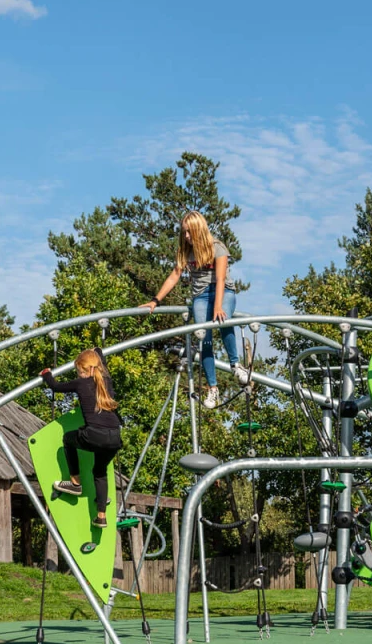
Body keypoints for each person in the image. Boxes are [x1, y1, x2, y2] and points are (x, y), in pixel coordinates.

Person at [143, 212, 246, 409]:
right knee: (203, 337)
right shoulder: (185, 251)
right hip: (200, 295)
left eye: (190, 232)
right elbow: (175, 275)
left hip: (222, 291)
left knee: (223, 319)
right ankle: (212, 388)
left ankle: (235, 364)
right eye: (185, 232)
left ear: (198, 230)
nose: (187, 236)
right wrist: (156, 300)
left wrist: (217, 306)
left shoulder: (217, 247)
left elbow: (221, 279)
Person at [40, 348, 124, 527]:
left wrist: (46, 374)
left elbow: (55, 387)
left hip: (94, 435)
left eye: (81, 371)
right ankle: (101, 516)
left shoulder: (80, 384)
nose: (80, 375)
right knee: (100, 472)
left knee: (68, 439)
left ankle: (75, 483)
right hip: (115, 438)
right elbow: (103, 364)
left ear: (90, 370)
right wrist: (98, 351)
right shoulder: (106, 381)